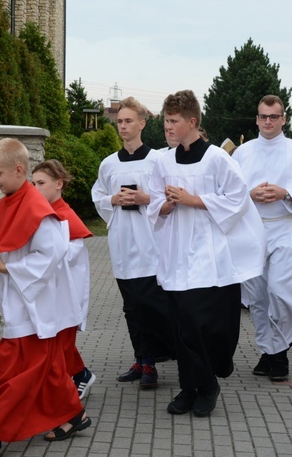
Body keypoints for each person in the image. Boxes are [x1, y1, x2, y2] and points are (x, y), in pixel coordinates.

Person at [0, 139, 90, 457]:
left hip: (36, 309)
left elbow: (52, 253)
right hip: (22, 303)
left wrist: (7, 264)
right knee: (51, 372)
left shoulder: (37, 208)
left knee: (14, 378)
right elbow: (7, 243)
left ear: (18, 170)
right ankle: (75, 416)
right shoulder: (11, 202)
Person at [147, 90, 265, 417]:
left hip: (208, 251)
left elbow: (238, 199)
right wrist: (168, 204)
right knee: (181, 324)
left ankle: (208, 383)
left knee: (200, 323)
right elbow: (155, 203)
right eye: (166, 121)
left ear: (192, 122)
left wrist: (193, 199)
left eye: (173, 121)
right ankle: (190, 387)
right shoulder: (163, 160)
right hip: (176, 250)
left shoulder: (216, 159)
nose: (167, 127)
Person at [231, 95, 292, 381]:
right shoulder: (242, 153)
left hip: (285, 227)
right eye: (263, 117)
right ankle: (268, 351)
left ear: (284, 118)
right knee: (257, 297)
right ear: (256, 119)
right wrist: (249, 194)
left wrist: (286, 193)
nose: (268, 122)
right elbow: (227, 191)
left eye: (274, 116)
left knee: (281, 291)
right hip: (253, 230)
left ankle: (281, 351)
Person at [91, 96, 173, 389]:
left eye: (129, 121)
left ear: (142, 123)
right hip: (122, 241)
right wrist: (113, 199)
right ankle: (141, 359)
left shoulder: (158, 160)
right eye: (120, 121)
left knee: (149, 304)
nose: (123, 126)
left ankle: (152, 361)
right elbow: (98, 195)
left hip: (151, 242)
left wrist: (144, 198)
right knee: (130, 307)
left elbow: (170, 196)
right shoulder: (109, 163)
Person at [32, 159, 97, 400]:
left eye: (41, 183)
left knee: (63, 339)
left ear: (58, 184)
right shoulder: (41, 211)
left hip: (66, 290)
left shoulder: (65, 215)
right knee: (53, 339)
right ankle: (76, 376)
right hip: (49, 287)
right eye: (33, 183)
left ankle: (74, 380)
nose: (35, 188)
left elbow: (69, 255)